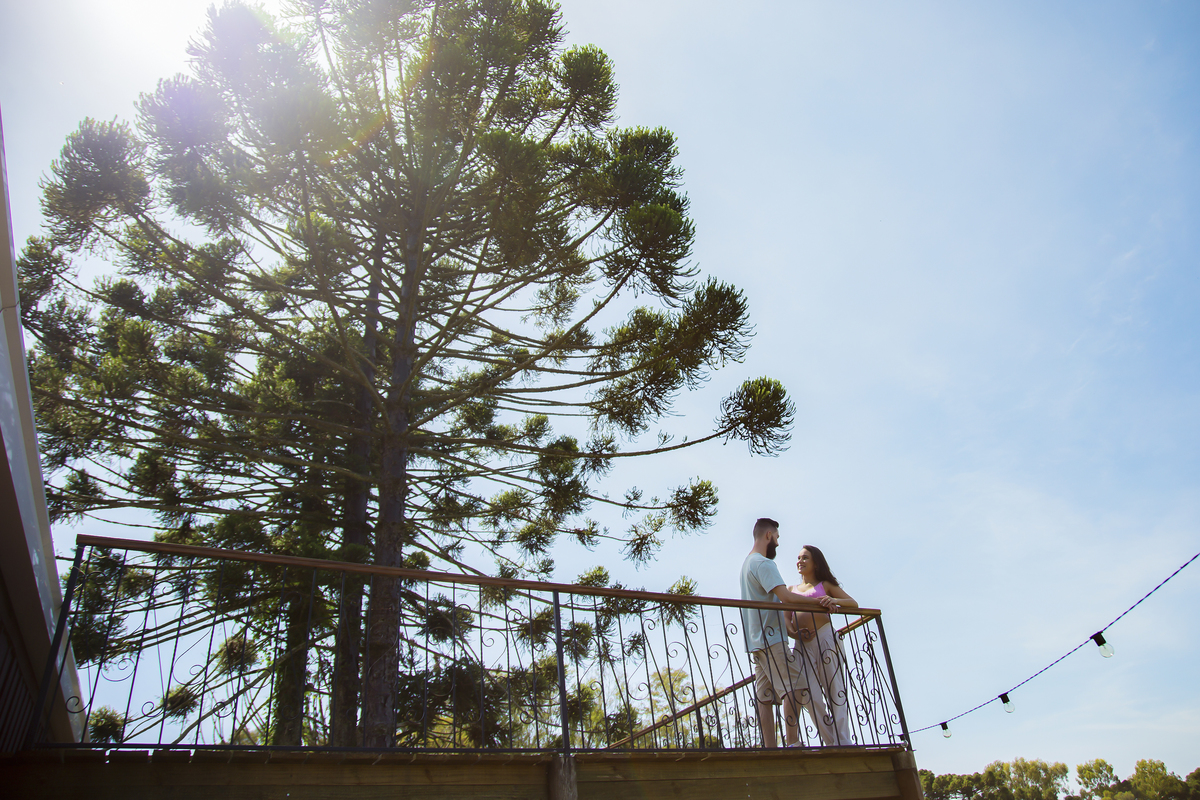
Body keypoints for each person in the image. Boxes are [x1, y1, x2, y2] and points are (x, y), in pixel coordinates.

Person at [739, 517, 815, 748]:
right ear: (768, 535)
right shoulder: (763, 563)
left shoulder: (747, 564)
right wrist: (819, 600)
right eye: (777, 538)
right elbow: (786, 597)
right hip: (771, 639)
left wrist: (792, 633)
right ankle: (792, 743)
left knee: (764, 695)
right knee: (796, 685)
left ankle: (770, 748)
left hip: (756, 642)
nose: (778, 544)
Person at [785, 545, 858, 746]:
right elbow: (786, 620)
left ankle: (843, 742)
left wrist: (832, 600)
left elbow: (853, 603)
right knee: (809, 694)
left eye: (805, 558)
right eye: (798, 558)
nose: (800, 561)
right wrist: (793, 633)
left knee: (835, 690)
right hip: (800, 645)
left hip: (825, 639)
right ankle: (832, 741)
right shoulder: (790, 590)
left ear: (816, 563)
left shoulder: (824, 585)